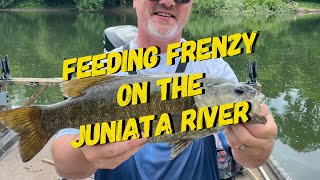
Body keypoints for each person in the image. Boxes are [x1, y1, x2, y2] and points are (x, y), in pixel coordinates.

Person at [51, 0, 278, 179]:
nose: (168, 2)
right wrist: (84, 154)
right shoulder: (101, 70)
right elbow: (65, 164)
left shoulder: (213, 67)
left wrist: (254, 145)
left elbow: (249, 159)